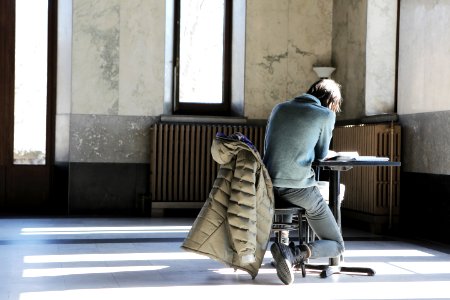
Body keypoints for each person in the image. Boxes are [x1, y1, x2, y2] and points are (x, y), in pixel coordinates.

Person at [263, 78, 344, 285]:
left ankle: (282, 246)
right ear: (331, 102)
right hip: (298, 189)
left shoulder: (279, 108)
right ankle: (292, 253)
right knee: (336, 244)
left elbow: (269, 149)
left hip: (267, 186)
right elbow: (321, 155)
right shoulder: (325, 115)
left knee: (290, 189)